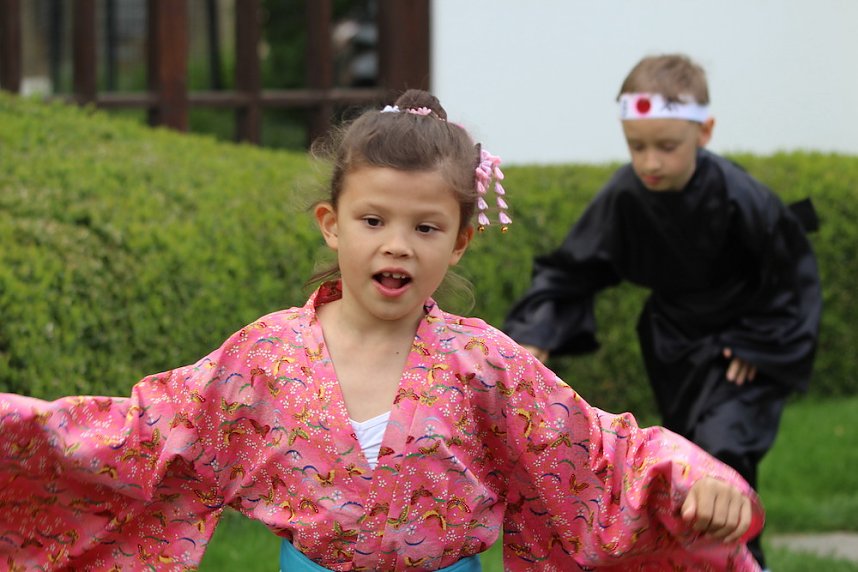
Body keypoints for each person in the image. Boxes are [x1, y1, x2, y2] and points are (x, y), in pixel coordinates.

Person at [0, 89, 764, 572]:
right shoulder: (265, 356)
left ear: (459, 239)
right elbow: (138, 439)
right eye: (374, 220)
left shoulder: (482, 363)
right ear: (332, 225)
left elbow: (595, 454)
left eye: (426, 226)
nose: (397, 243)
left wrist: (693, 479)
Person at [503, 54, 822, 571]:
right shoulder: (626, 195)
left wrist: (759, 341)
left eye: (666, 147)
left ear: (705, 132)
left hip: (743, 354)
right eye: (637, 146)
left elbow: (791, 274)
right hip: (675, 346)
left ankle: (747, 561)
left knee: (724, 454)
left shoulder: (742, 197)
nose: (650, 161)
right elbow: (573, 269)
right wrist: (538, 332)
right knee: (686, 461)